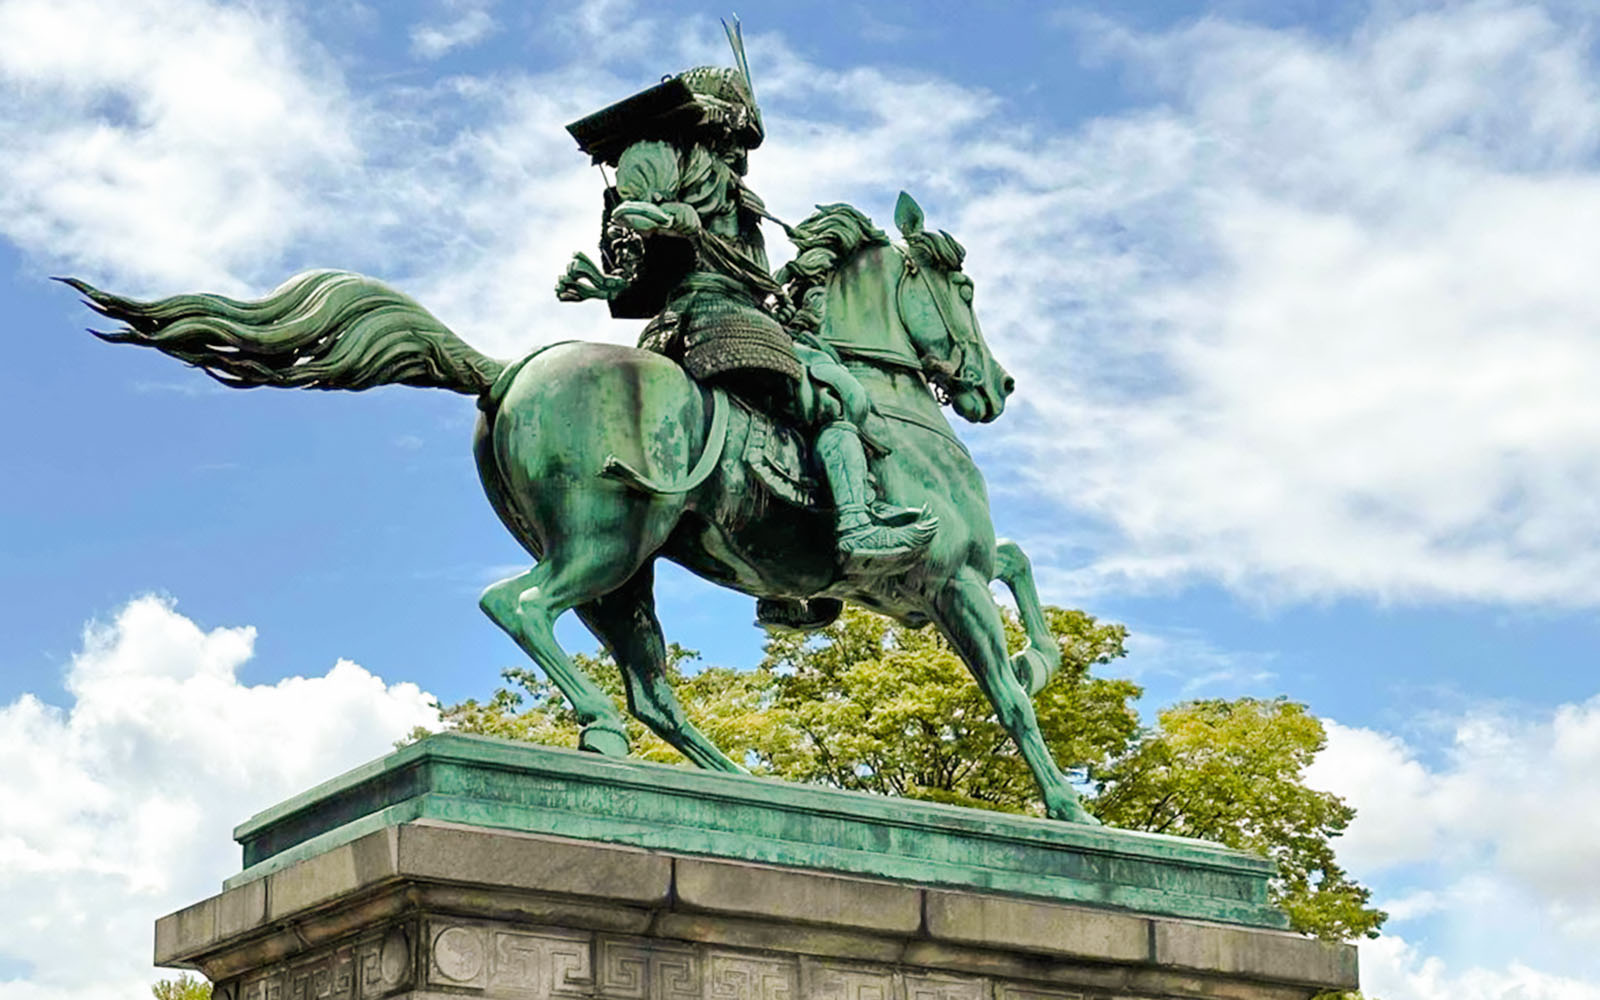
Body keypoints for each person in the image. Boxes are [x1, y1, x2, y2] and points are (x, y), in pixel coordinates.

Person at [556, 29, 937, 576]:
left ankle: (791, 579)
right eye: (738, 136)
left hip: (693, 324)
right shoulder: (685, 163)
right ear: (719, 124)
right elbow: (637, 219)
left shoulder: (729, 190)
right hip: (723, 321)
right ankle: (855, 523)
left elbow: (659, 257)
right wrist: (668, 223)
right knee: (833, 399)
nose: (742, 150)